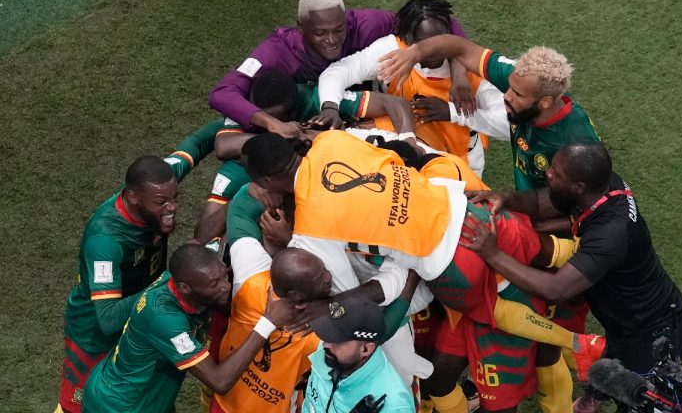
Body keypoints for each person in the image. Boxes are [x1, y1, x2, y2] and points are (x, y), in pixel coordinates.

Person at [242, 130, 606, 411]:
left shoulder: (311, 228)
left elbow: (355, 302)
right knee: (543, 253)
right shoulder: (330, 141)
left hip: (448, 264)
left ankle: (580, 345)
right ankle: (599, 264)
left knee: (494, 310)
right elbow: (395, 153)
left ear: (267, 183)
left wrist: (330, 304)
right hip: (465, 209)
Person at [463, 142, 682, 411]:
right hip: (627, 320)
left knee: (643, 402)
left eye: (556, 173)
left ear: (579, 187)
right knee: (609, 364)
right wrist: (507, 199)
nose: (548, 173)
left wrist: (493, 254)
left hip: (652, 333)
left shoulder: (610, 234)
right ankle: (591, 401)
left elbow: (557, 289)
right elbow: (543, 202)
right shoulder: (602, 187)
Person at [55, 122, 221, 413]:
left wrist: (250, 120)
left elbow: (198, 143)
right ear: (133, 197)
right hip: (96, 335)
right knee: (78, 408)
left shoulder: (158, 183)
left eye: (175, 197)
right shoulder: (105, 242)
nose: (171, 207)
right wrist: (166, 283)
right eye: (162, 202)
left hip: (140, 320)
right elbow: (106, 318)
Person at [208, 0, 472, 140]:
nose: (332, 40)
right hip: (305, 116)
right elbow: (223, 93)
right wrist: (272, 124)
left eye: (338, 29)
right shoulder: (275, 51)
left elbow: (441, 23)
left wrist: (460, 75)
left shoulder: (367, 24)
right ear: (301, 27)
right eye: (320, 33)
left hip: (353, 105)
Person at [195, 69, 417, 244]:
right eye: (262, 121)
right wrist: (241, 199)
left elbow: (394, 103)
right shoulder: (248, 159)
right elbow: (202, 236)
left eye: (276, 121)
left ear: (295, 112)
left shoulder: (318, 102)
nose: (267, 124)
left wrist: (410, 145)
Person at [81, 244, 299, 412]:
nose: (225, 286)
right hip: (121, 405)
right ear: (185, 288)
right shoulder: (166, 320)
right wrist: (268, 322)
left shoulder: (185, 275)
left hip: (146, 394)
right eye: (214, 284)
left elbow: (212, 240)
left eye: (224, 275)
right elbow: (219, 380)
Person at [377, 34, 600, 193]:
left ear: (545, 102)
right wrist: (416, 52)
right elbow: (460, 47)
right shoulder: (522, 81)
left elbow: (582, 200)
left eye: (518, 95)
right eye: (509, 87)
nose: (507, 96)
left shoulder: (576, 142)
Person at [317, 0, 506, 177]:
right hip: (408, 144)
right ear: (408, 38)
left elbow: (510, 125)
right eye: (427, 42)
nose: (437, 47)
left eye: (441, 39)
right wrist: (330, 107)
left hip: (461, 160)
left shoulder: (473, 69)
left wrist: (450, 112)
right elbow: (339, 71)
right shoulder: (392, 51)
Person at [211, 248, 332, 413]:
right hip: (227, 403)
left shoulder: (250, 280)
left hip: (224, 403)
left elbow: (241, 231)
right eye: (321, 275)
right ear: (296, 296)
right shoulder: (321, 335)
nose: (329, 276)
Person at [303, 297, 416, 413]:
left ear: (366, 349)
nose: (325, 344)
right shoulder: (328, 354)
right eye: (328, 334)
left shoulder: (393, 406)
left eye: (338, 340)